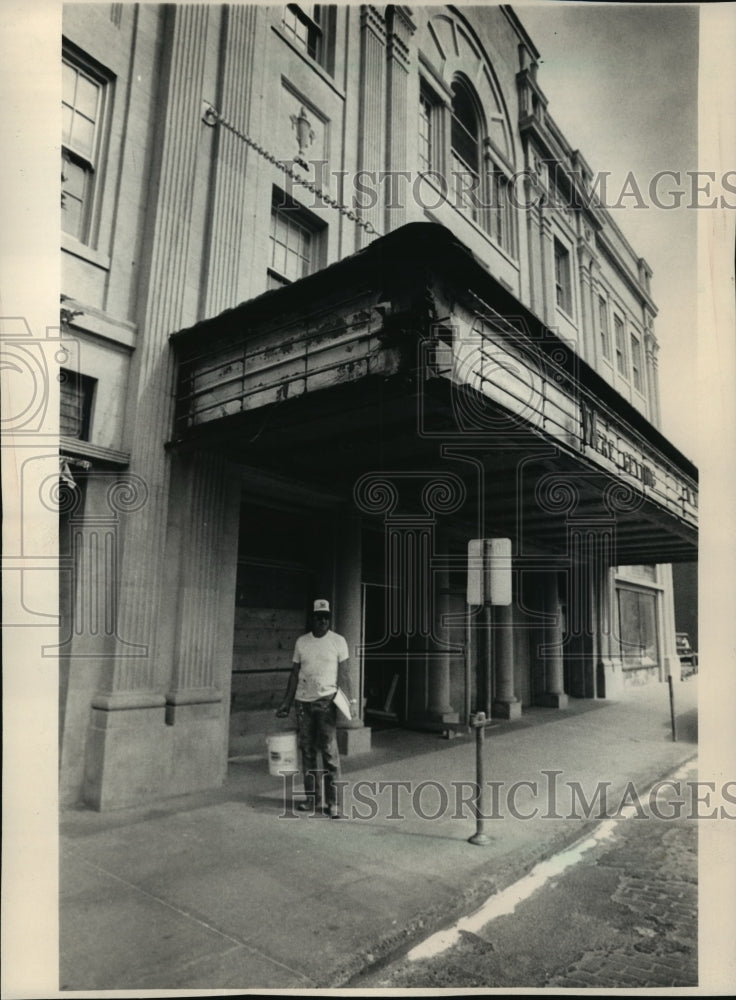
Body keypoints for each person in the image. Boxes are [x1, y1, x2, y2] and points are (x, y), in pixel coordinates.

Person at [276, 599, 357, 818]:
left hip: (326, 701)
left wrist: (351, 702)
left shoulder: (338, 641)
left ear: (329, 619)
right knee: (308, 751)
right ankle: (312, 799)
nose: (322, 621)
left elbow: (345, 673)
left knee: (329, 752)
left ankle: (334, 803)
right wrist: (286, 701)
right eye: (318, 616)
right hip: (303, 702)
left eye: (326, 617)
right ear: (312, 618)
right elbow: (295, 673)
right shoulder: (302, 642)